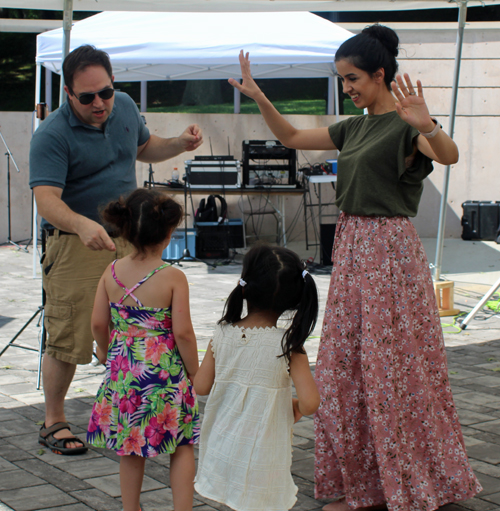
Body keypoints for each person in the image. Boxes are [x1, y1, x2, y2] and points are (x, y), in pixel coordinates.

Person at [228, 25, 482, 510]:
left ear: (379, 74)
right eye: (342, 79)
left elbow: (446, 156)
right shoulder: (354, 126)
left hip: (389, 253)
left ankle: (408, 482)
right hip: (351, 249)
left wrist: (427, 125)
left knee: (393, 368)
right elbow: (290, 135)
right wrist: (258, 95)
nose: (346, 88)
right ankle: (365, 486)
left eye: (352, 79)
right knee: (347, 365)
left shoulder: (407, 125)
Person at [30, 44, 202, 455]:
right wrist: (79, 223)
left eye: (105, 92)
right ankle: (53, 419)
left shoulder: (122, 106)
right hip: (75, 242)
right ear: (68, 93)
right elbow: (46, 200)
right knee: (69, 331)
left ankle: (137, 403)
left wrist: (178, 143)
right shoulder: (52, 134)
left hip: (129, 238)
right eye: (87, 97)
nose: (99, 103)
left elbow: (143, 147)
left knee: (143, 325)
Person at [86, 188, 199, 511]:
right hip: (166, 374)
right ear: (167, 233)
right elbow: (184, 333)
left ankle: (131, 507)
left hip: (124, 372)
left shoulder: (111, 272)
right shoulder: (172, 277)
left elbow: (97, 323)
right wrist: (193, 370)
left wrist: (107, 352)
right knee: (182, 442)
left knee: (130, 446)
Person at [194, 244, 320, 511]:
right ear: (293, 299)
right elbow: (310, 403)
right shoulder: (288, 347)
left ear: (246, 287)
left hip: (224, 448)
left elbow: (201, 386)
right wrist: (295, 405)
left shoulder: (222, 333)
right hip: (264, 455)